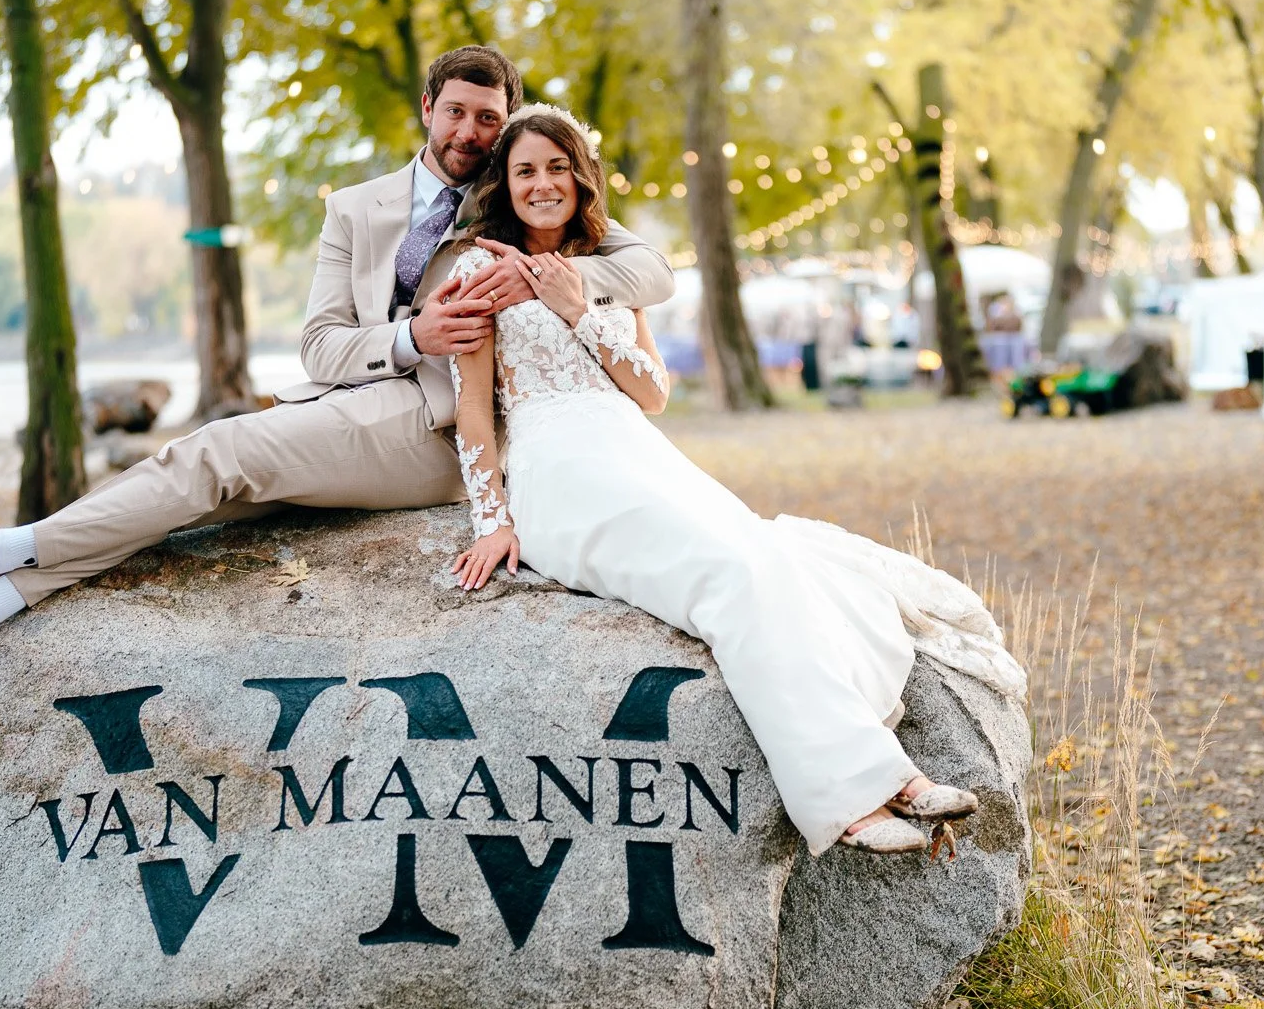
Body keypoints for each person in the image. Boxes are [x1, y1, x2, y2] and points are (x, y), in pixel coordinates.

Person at [0, 45, 675, 659]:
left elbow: (650, 269)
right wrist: (409, 335)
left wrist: (542, 279)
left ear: (507, 125)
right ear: (427, 108)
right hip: (360, 395)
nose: (471, 131)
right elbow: (320, 347)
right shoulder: (357, 210)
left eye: (488, 118)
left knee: (216, 450)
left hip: (445, 424)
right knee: (201, 492)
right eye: (457, 112)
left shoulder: (524, 197)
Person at [436, 104, 1026, 857]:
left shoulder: (611, 270)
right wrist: (493, 519)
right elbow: (473, 413)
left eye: (558, 167)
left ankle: (898, 783)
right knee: (727, 573)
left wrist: (579, 309)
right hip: (557, 467)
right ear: (506, 184)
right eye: (525, 170)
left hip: (636, 452)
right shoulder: (479, 270)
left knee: (766, 559)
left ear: (581, 179)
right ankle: (856, 798)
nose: (543, 183)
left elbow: (651, 392)